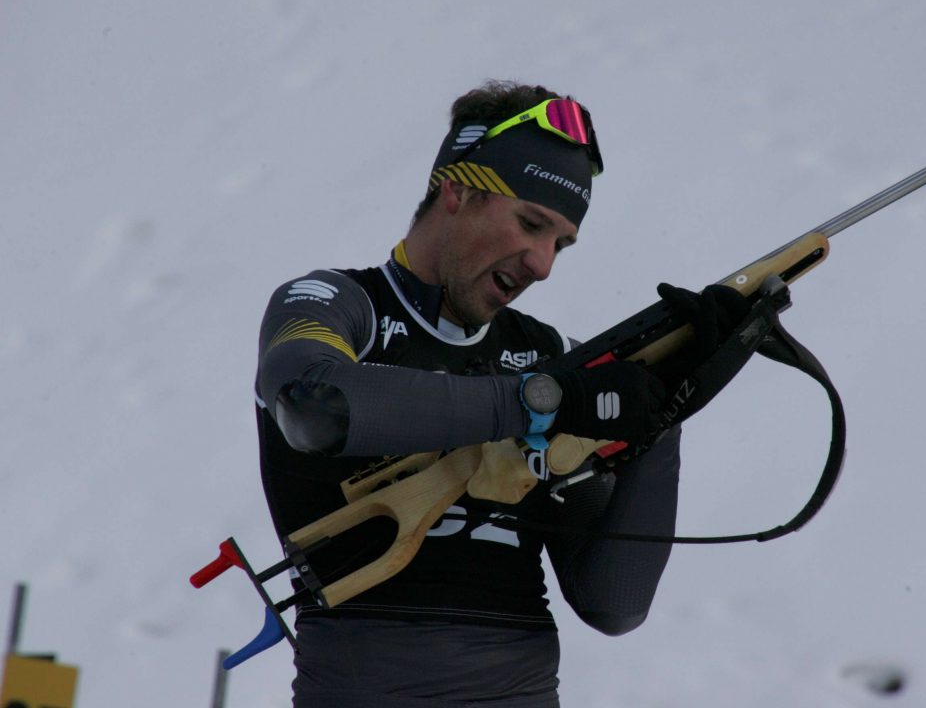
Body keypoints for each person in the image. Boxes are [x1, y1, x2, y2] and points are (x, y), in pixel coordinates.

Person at [254, 80, 747, 707]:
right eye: (530, 223)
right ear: (457, 189)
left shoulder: (549, 357)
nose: (542, 263)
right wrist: (539, 399)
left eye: (560, 243)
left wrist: (661, 414)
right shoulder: (338, 304)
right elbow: (313, 404)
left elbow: (614, 603)